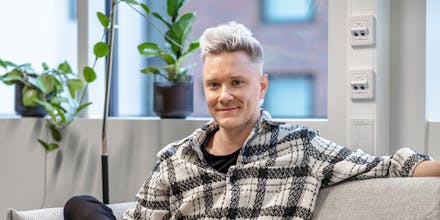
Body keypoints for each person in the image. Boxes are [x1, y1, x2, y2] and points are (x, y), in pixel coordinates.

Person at [64, 21, 440, 220]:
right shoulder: (174, 160)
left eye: (237, 83)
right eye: (214, 84)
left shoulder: (302, 147)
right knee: (79, 205)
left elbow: (388, 165)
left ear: (261, 87)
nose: (224, 96)